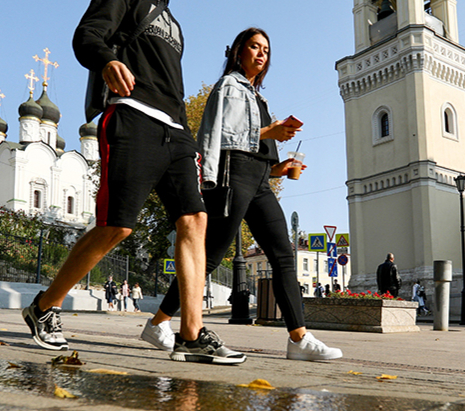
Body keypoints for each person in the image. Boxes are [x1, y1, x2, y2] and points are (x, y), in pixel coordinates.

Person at [21, 0, 243, 364]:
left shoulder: (175, 23)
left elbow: (172, 84)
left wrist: (187, 137)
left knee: (195, 221)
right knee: (117, 226)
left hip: (175, 133)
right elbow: (87, 35)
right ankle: (44, 307)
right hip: (132, 118)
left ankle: (191, 336)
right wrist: (107, 61)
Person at [142, 27, 341, 361]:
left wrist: (278, 166)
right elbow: (221, 137)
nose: (261, 53)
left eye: (266, 49)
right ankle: (159, 322)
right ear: (238, 52)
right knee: (208, 259)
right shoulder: (229, 86)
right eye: (254, 46)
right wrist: (270, 131)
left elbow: (256, 149)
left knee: (283, 254)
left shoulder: (256, 95)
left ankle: (299, 339)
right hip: (231, 176)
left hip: (259, 181)